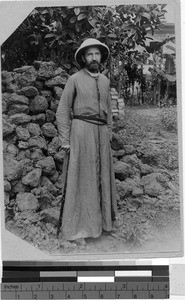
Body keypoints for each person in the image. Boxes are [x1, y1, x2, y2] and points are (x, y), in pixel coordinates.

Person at [56, 38, 117, 248]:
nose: (93, 58)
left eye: (97, 54)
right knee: (82, 179)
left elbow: (109, 112)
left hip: (101, 134)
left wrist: (108, 134)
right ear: (83, 57)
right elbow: (63, 111)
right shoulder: (74, 79)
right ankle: (77, 230)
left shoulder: (105, 81)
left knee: (102, 178)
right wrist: (65, 141)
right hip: (81, 132)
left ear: (101, 57)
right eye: (89, 54)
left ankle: (103, 225)